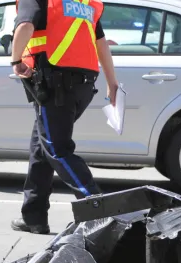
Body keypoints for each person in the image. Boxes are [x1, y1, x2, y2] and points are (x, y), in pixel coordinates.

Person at [8, 0, 118, 234]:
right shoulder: (87, 2)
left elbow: (26, 25)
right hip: (83, 85)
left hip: (55, 83)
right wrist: (112, 82)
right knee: (41, 145)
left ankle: (99, 210)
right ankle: (34, 216)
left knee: (57, 149)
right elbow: (101, 43)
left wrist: (16, 60)